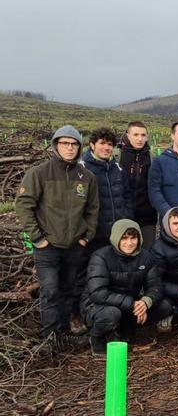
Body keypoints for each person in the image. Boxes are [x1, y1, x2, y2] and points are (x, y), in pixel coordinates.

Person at [15, 125, 98, 345]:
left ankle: (63, 332)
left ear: (79, 147)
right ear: (56, 145)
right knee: (50, 291)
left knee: (68, 290)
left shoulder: (86, 177)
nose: (69, 148)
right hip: (47, 247)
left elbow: (93, 210)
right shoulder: (40, 173)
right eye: (65, 143)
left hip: (74, 246)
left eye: (74, 144)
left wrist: (85, 237)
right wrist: (37, 238)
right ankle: (50, 338)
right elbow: (23, 205)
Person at [81, 220, 172, 356]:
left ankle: (124, 331)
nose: (129, 243)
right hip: (97, 306)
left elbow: (156, 286)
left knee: (165, 306)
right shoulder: (100, 257)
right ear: (116, 238)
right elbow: (98, 294)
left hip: (129, 305)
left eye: (133, 238)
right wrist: (132, 304)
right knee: (112, 314)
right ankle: (96, 338)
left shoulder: (146, 257)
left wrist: (145, 302)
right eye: (124, 238)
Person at [81, 127, 133, 249]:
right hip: (94, 236)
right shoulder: (82, 169)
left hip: (119, 233)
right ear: (92, 145)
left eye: (110, 144)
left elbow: (127, 197)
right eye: (102, 143)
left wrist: (127, 218)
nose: (106, 147)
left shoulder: (118, 168)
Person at [118, 121, 158, 250]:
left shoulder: (152, 159)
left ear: (147, 137)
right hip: (122, 216)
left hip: (147, 218)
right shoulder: (117, 157)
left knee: (148, 253)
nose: (140, 139)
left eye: (143, 135)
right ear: (128, 135)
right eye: (135, 134)